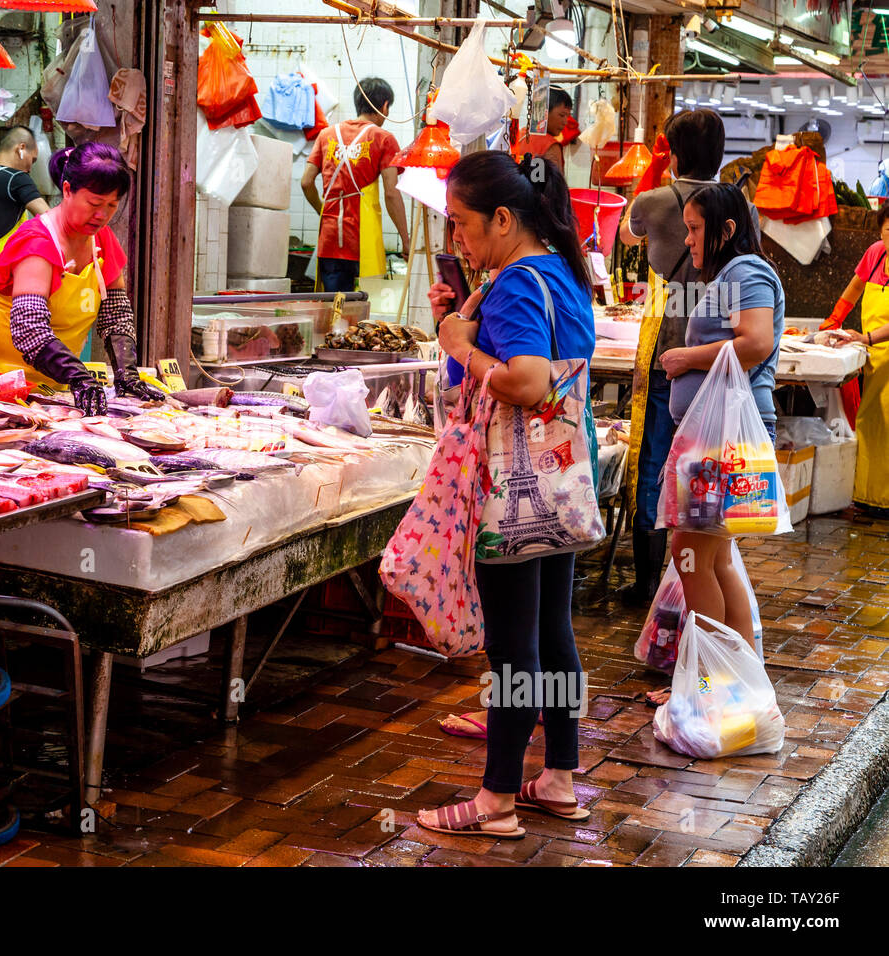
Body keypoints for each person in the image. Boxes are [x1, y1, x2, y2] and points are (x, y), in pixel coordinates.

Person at [415, 150, 596, 839]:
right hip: (562, 480)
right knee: (553, 632)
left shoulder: (519, 283)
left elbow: (526, 381)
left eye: (461, 224)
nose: (456, 238)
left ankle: (494, 803)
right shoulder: (559, 270)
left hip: (513, 487)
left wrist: (460, 344)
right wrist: (467, 316)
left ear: (500, 216)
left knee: (514, 646)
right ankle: (559, 777)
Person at [616, 109, 755, 604]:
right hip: (718, 360)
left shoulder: (655, 201)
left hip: (669, 353)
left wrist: (653, 176)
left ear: (673, 153)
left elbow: (625, 234)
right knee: (704, 469)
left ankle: (650, 581)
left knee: (656, 461)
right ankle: (701, 571)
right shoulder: (739, 205)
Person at [652, 183, 784, 703]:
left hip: (724, 442)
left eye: (695, 229)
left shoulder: (745, 271)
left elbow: (756, 343)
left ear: (726, 230)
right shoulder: (732, 275)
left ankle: (704, 684)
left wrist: (686, 359)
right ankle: (733, 681)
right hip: (717, 440)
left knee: (691, 556)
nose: (689, 241)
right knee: (715, 558)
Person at [0, 142, 162, 415]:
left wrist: (128, 374)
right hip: (2, 388)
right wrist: (79, 377)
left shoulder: (101, 240)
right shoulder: (37, 242)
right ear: (67, 190)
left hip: (58, 391)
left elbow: (116, 314)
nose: (102, 214)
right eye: (94, 203)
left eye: (112, 205)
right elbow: (29, 329)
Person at [300, 77, 411, 293]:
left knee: (334, 311)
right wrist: (406, 241)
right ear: (385, 106)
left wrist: (324, 211)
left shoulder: (326, 135)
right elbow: (391, 194)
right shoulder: (384, 139)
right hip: (363, 240)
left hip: (330, 238)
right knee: (362, 314)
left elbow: (306, 183)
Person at [824, 203, 889, 513]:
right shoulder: (876, 253)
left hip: (878, 345)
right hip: (874, 355)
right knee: (870, 422)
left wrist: (867, 338)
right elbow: (854, 287)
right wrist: (834, 320)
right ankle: (867, 497)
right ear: (880, 230)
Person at [0, 126, 51, 313]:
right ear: (21, 149)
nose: (31, 167)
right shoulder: (17, 178)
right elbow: (50, 220)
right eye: (33, 159)